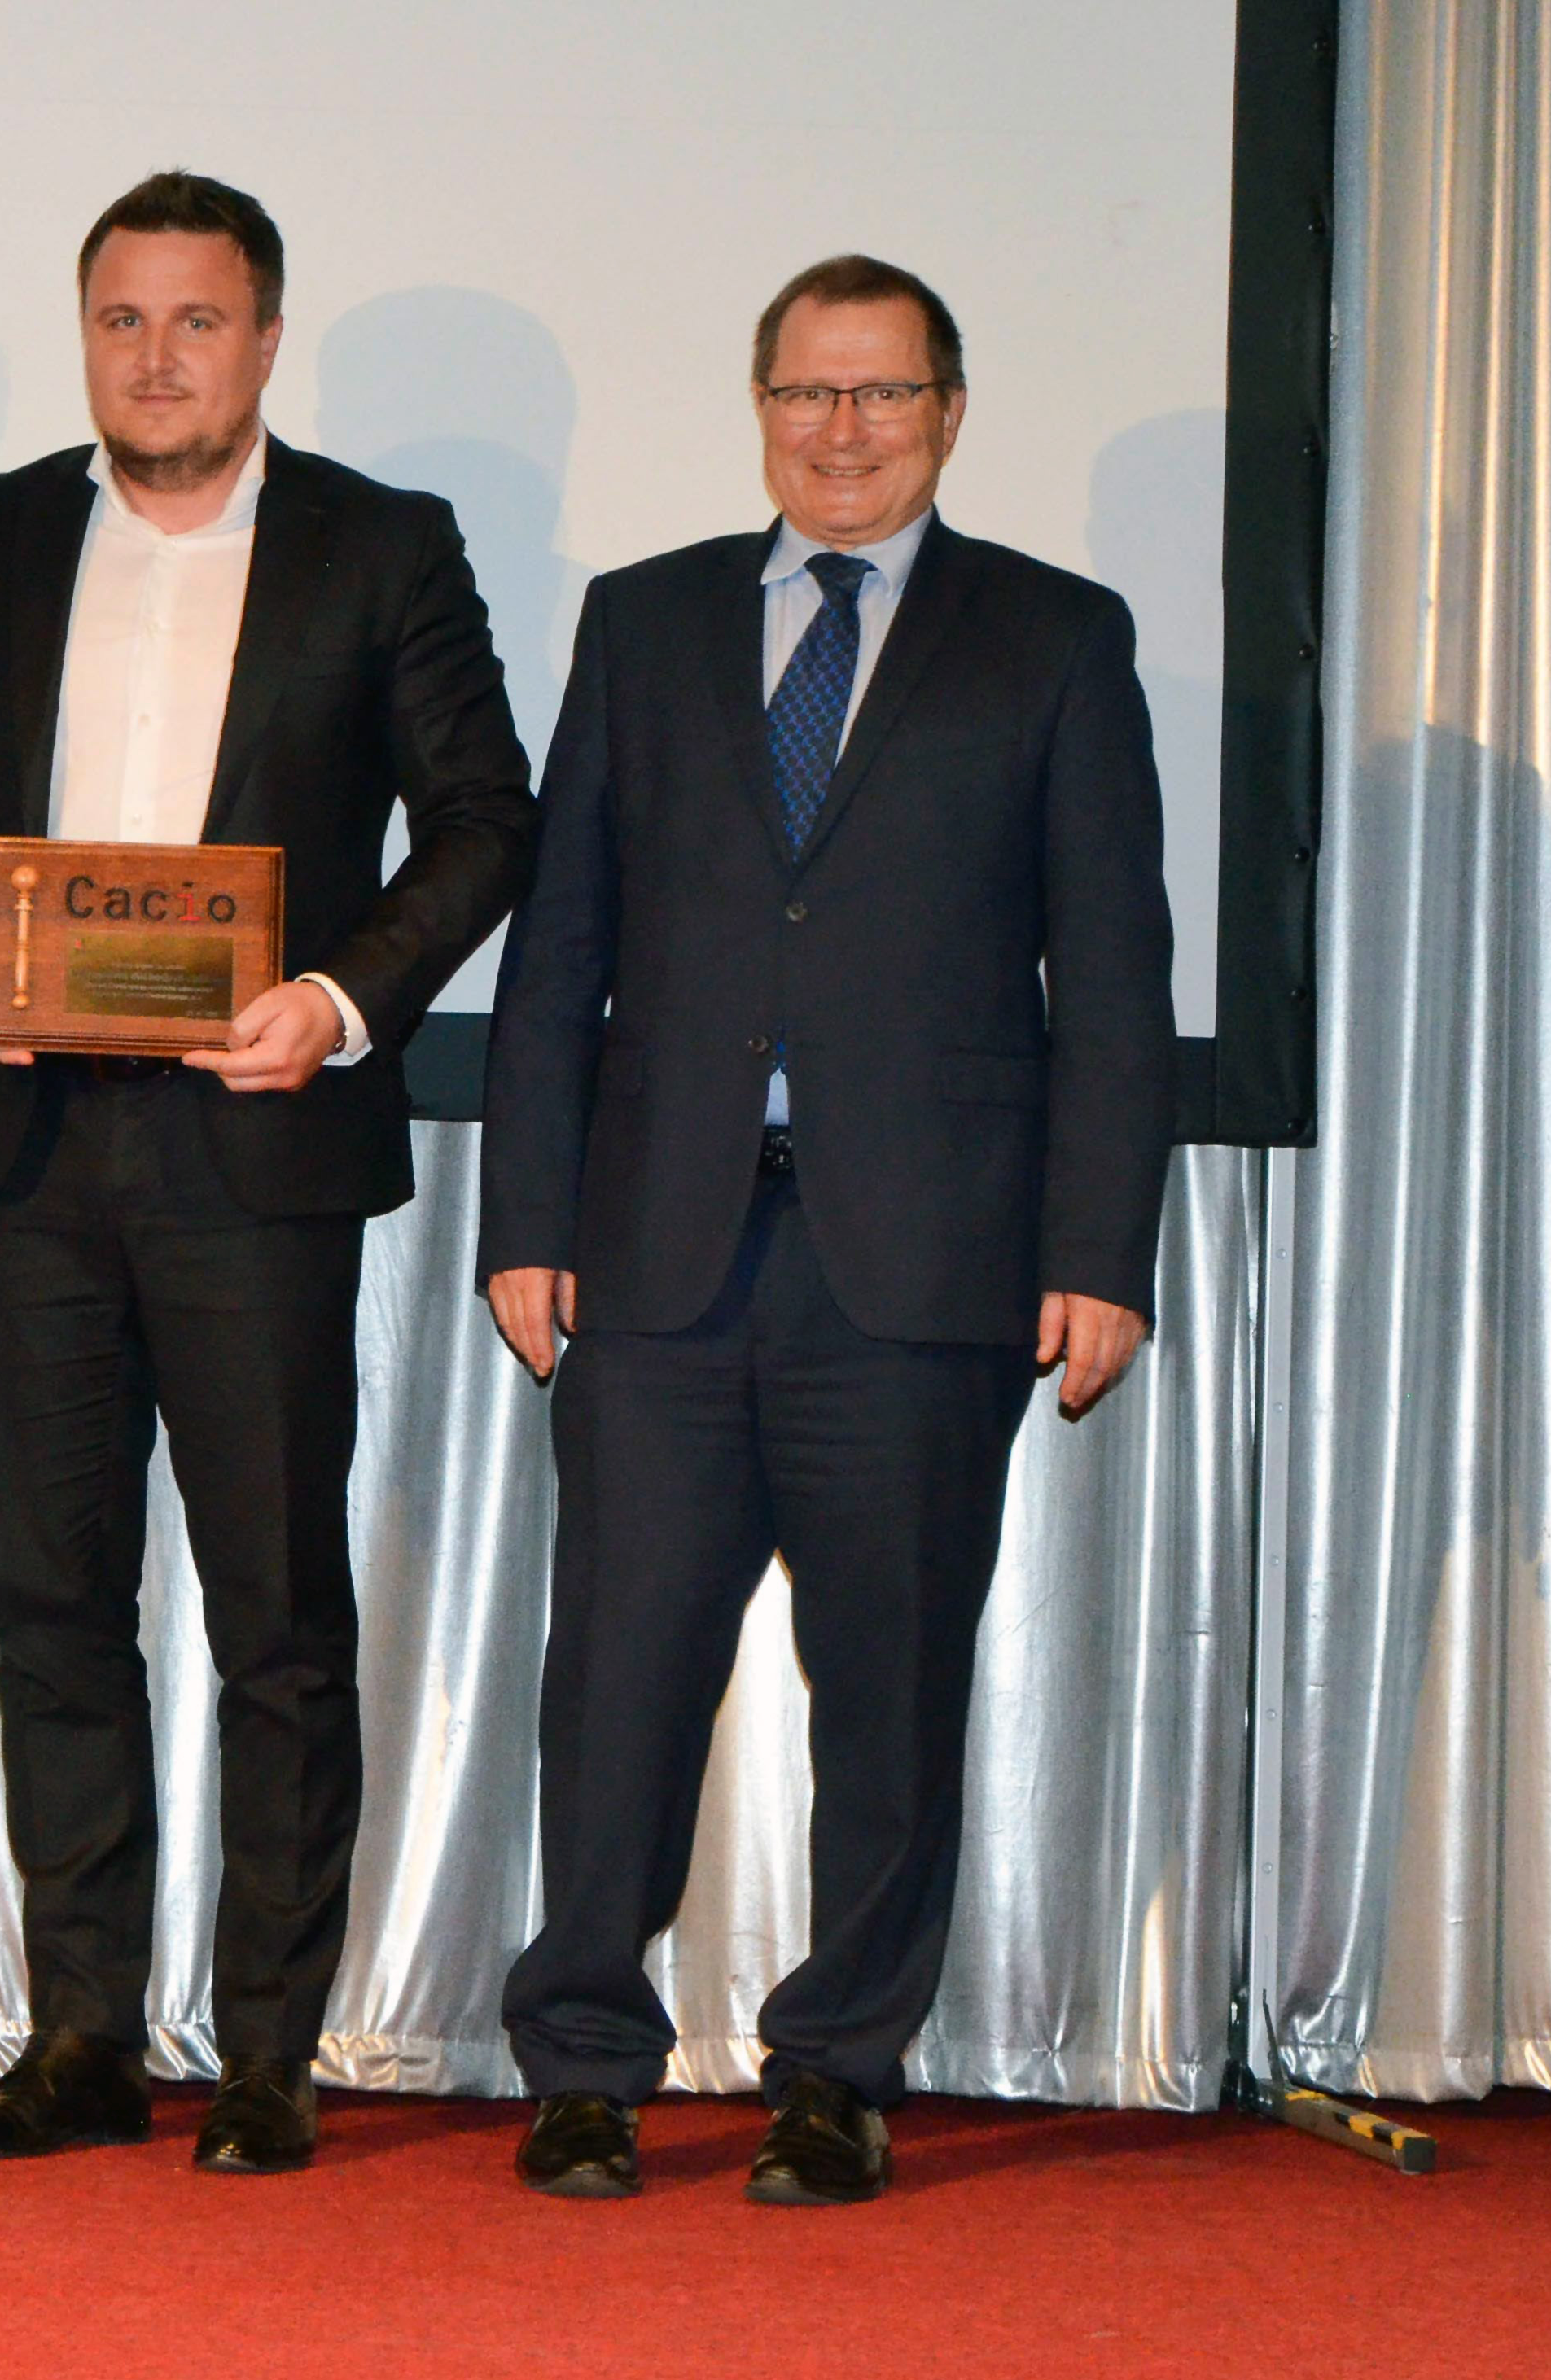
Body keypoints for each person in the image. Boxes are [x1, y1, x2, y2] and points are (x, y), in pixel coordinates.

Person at [0, 171, 535, 2172]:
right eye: (122, 321)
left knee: (276, 1623)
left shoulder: (381, 545)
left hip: (258, 1144)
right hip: (33, 1145)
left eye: (197, 321)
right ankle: (77, 2040)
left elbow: (484, 817)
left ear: (264, 336)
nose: (157, 359)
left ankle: (265, 2053)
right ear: (87, 336)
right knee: (54, 1611)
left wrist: (339, 996)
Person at [477, 255, 1172, 2206]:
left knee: (888, 1693)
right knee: (616, 1684)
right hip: (659, 1256)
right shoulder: (643, 621)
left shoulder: (1054, 637)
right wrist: (527, 1212)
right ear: (760, 406)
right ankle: (584, 2063)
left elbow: (1113, 975)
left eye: (878, 394)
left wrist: (1098, 1249)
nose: (839, 430)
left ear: (946, 411)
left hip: (925, 1266)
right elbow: (560, 945)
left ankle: (837, 2070)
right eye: (804, 392)